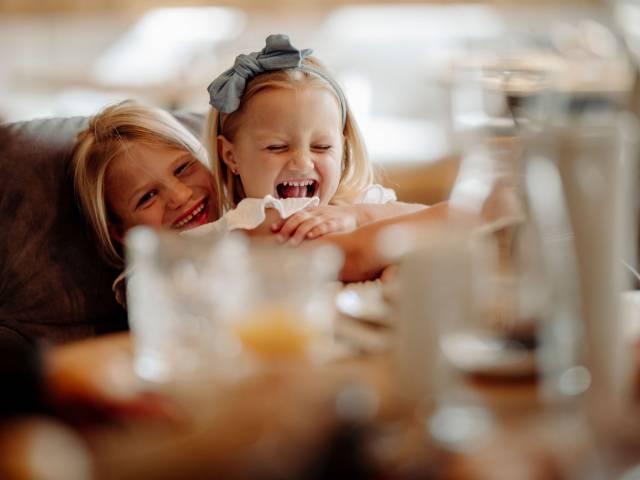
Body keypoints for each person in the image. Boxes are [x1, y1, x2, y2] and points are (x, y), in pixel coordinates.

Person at [202, 34, 426, 245]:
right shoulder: (238, 229)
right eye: (277, 147)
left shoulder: (359, 206)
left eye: (322, 146)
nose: (302, 162)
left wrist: (358, 216)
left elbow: (449, 218)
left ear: (343, 149)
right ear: (231, 156)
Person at [72, 100, 221, 269]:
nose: (180, 196)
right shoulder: (150, 287)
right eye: (147, 197)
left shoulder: (252, 211)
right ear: (122, 233)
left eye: (182, 169)